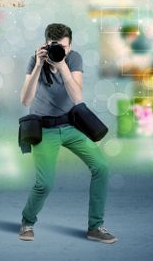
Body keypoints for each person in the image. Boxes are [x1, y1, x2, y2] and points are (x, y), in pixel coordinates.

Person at [18, 23, 117, 244]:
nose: (59, 51)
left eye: (63, 47)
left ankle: (95, 227)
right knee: (45, 184)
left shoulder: (73, 58)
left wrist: (61, 66)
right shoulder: (35, 59)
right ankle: (27, 222)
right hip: (44, 130)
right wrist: (37, 66)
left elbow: (77, 98)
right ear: (45, 44)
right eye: (55, 46)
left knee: (101, 167)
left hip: (71, 126)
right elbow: (25, 100)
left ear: (69, 46)